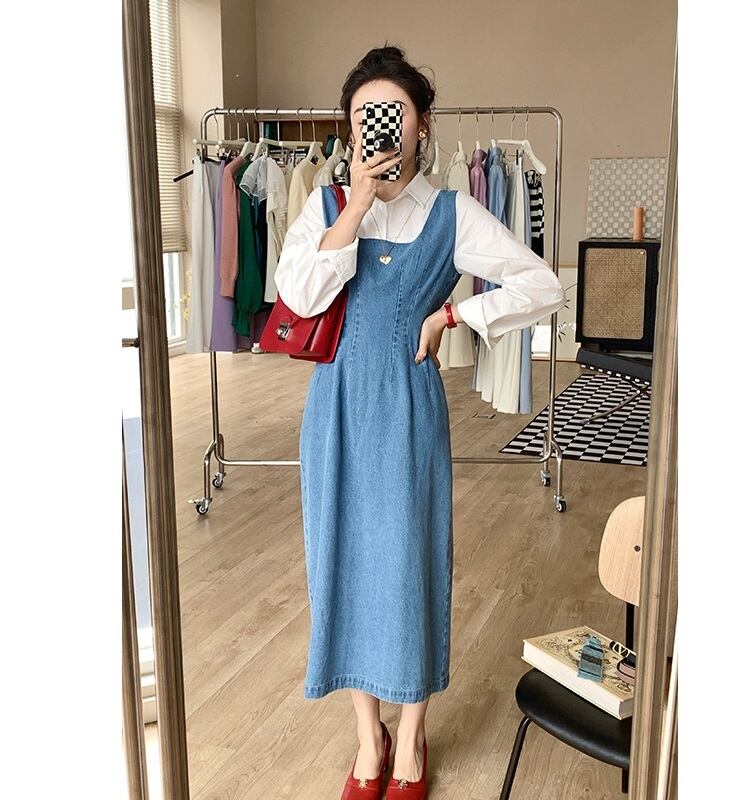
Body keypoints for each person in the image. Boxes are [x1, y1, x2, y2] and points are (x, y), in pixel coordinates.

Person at [274, 45, 566, 800]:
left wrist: (456, 315)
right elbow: (299, 297)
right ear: (349, 129)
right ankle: (365, 736)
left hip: (406, 409)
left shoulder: (452, 213)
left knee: (408, 565)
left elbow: (542, 283)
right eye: (363, 115)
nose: (379, 127)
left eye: (393, 112)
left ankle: (409, 737)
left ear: (422, 124)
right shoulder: (326, 207)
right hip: (336, 410)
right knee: (340, 562)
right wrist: (357, 204)